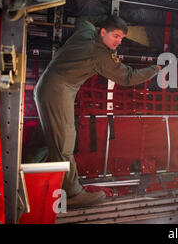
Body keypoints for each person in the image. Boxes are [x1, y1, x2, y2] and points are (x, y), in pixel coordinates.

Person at [24, 15, 160, 208]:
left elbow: (84, 19)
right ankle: (72, 194)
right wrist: (156, 68)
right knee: (64, 143)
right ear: (103, 32)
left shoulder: (86, 31)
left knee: (44, 141)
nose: (119, 42)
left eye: (121, 38)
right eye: (115, 36)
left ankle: (16, 177)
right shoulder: (99, 55)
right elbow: (128, 77)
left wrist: (105, 18)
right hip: (58, 90)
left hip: (47, 87)